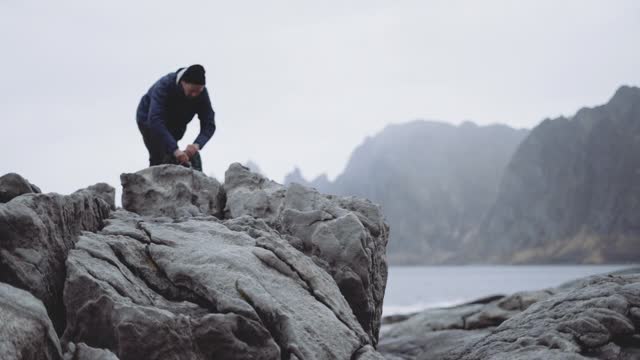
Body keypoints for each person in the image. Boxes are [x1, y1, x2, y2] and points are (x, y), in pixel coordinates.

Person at [136, 64, 216, 171]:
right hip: (149, 118)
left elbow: (209, 124)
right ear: (182, 82)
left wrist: (197, 144)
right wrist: (175, 150)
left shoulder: (202, 94)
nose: (195, 95)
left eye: (199, 91)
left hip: (178, 121)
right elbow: (155, 120)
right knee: (160, 153)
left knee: (175, 155)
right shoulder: (164, 85)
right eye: (192, 91)